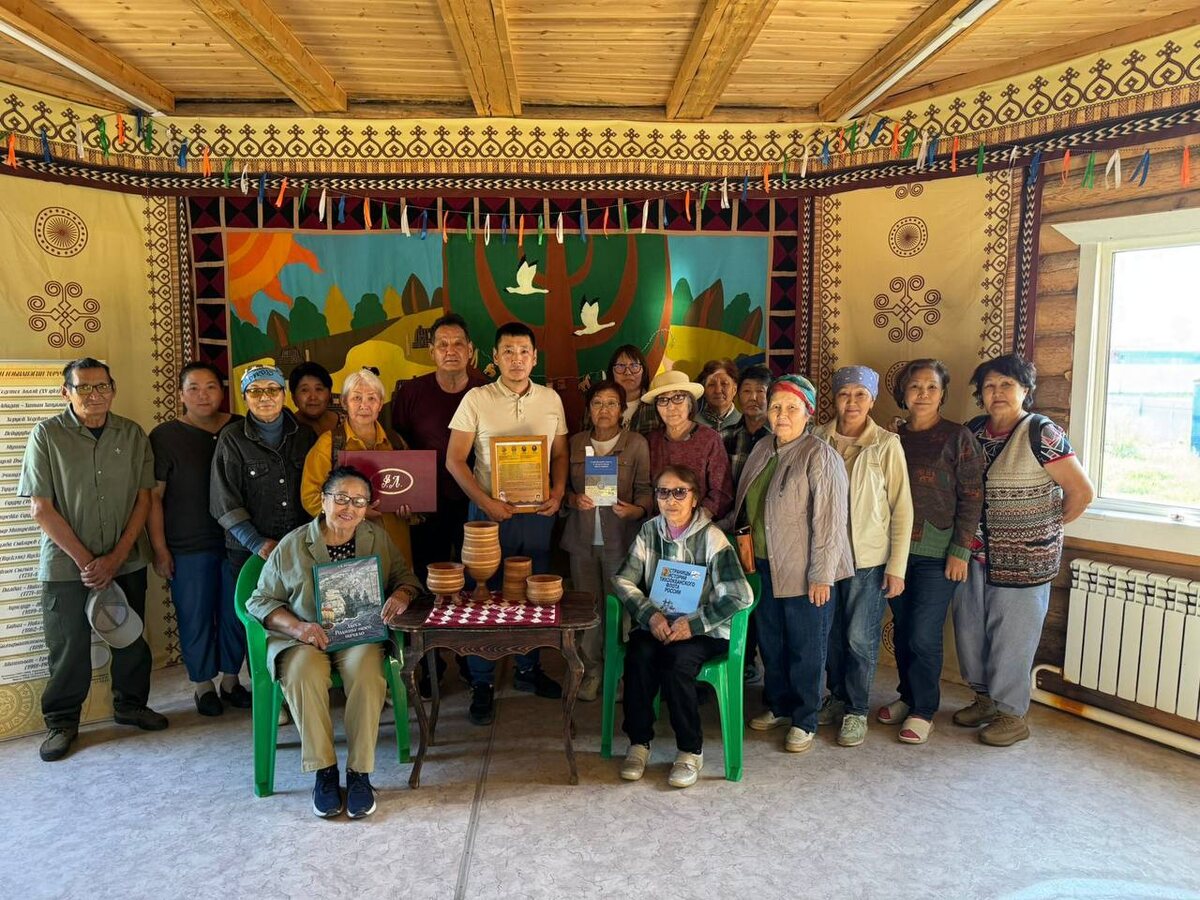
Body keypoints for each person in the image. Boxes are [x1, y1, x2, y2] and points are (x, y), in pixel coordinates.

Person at [245, 466, 422, 818]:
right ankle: (324, 772)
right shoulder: (293, 544)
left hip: (358, 636)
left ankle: (359, 774)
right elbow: (259, 601)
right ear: (323, 501)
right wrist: (297, 628)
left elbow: (405, 578)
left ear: (367, 508)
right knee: (303, 673)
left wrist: (401, 594)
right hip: (305, 638)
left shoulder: (376, 538)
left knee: (368, 674)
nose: (349, 507)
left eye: (359, 501)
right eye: (341, 498)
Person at [18, 358, 167, 762]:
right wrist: (90, 563)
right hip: (66, 566)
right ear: (65, 392)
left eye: (102, 386)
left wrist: (115, 558)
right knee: (68, 645)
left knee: (130, 636)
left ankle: (131, 705)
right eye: (83, 387)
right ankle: (62, 722)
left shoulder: (132, 434)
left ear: (113, 389)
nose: (94, 395)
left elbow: (143, 499)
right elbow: (40, 508)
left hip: (126, 559)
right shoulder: (46, 435)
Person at [954, 353, 1094, 746]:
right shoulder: (973, 431)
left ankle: (1011, 715)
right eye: (989, 386)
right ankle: (984, 700)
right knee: (970, 631)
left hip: (1026, 559)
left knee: (1012, 639)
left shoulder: (1041, 433)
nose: (997, 392)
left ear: (1025, 390)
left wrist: (1044, 530)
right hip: (973, 555)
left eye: (1007, 385)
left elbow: (1081, 492)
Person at [447, 322, 569, 724]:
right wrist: (486, 503)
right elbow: (455, 460)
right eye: (508, 352)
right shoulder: (476, 399)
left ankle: (528, 669)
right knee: (484, 593)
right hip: (487, 516)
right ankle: (482, 681)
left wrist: (557, 493)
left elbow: (560, 455)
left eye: (524, 351)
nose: (517, 359)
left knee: (533, 592)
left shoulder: (551, 399)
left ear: (534, 358)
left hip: (537, 515)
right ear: (495, 358)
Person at [611, 465, 753, 788]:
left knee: (677, 663)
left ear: (694, 498)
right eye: (663, 492)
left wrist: (694, 624)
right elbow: (623, 579)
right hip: (659, 624)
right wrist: (650, 615)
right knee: (638, 655)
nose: (671, 500)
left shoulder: (712, 538)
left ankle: (690, 750)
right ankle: (639, 742)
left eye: (679, 492)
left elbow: (740, 595)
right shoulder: (649, 532)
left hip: (703, 630)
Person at [734, 374, 854, 754]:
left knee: (807, 646)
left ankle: (805, 718)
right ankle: (780, 704)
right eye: (775, 407)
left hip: (805, 571)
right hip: (763, 565)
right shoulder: (762, 448)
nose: (781, 415)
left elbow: (831, 523)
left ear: (808, 412)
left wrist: (822, 575)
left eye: (791, 407)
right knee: (772, 641)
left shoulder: (821, 456)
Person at [876, 359, 984, 745]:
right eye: (915, 387)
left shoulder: (958, 437)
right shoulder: (890, 437)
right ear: (903, 393)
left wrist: (960, 550)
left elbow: (973, 496)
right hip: (894, 551)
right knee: (904, 629)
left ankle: (924, 710)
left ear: (942, 394)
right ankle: (908, 697)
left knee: (923, 633)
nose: (923, 394)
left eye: (931, 387)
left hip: (938, 554)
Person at [811, 366, 912, 747]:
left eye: (860, 395)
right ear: (834, 398)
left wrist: (897, 567)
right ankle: (837, 697)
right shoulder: (816, 438)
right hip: (825, 558)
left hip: (867, 560)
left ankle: (856, 709)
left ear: (872, 400)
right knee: (831, 634)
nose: (851, 402)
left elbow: (902, 508)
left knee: (858, 637)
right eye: (844, 394)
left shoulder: (885, 444)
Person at [148, 362, 249, 717]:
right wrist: (160, 549)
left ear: (223, 392)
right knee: (195, 616)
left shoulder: (240, 427)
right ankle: (203, 685)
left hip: (237, 541)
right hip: (188, 545)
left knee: (236, 614)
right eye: (193, 388)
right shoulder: (165, 436)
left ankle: (232, 681)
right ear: (180, 394)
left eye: (211, 387)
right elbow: (154, 498)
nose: (203, 395)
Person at [561, 380, 654, 701]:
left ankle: (619, 674)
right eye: (598, 402)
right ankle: (592, 672)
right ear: (589, 408)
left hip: (621, 540)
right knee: (588, 608)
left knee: (621, 609)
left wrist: (636, 510)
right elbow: (561, 489)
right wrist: (573, 500)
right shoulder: (575, 443)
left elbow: (645, 489)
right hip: (582, 541)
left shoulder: (636, 443)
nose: (604, 409)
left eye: (612, 403)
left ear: (622, 409)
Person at [392, 313, 489, 582]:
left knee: (478, 577)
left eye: (458, 344)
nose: (450, 351)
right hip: (426, 504)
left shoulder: (487, 392)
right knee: (430, 578)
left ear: (470, 350)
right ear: (431, 351)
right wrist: (403, 497)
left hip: (477, 499)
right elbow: (398, 447)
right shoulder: (411, 392)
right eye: (443, 345)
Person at [211, 365, 317, 582]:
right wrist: (255, 542)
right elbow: (223, 501)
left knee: (300, 603)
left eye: (272, 389)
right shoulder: (232, 438)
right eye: (255, 391)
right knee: (252, 604)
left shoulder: (305, 435)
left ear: (284, 395)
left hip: (300, 546)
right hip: (248, 550)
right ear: (244, 397)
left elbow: (318, 488)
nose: (264, 397)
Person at [302, 367, 414, 566]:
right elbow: (310, 497)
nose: (364, 405)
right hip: (348, 550)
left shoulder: (395, 442)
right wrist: (356, 511)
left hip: (396, 547)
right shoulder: (329, 445)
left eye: (372, 398)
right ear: (344, 402)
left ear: (380, 404)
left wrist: (410, 510)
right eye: (356, 398)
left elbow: (414, 491)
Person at [720, 363, 772, 684]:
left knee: (765, 601)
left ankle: (770, 671)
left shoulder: (780, 438)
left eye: (760, 392)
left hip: (766, 535)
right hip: (730, 530)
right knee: (735, 595)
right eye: (747, 391)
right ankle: (743, 659)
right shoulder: (725, 436)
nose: (753, 398)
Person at [644, 370, 733, 521]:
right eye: (663, 400)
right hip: (658, 525)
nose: (671, 407)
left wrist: (693, 523)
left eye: (678, 398)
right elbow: (644, 488)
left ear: (690, 403)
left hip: (699, 525)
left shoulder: (709, 439)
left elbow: (722, 492)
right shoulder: (651, 441)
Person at [579, 344, 661, 435]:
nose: (628, 372)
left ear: (643, 370)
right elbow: (584, 439)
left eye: (634, 366)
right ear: (612, 371)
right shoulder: (596, 403)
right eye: (621, 366)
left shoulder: (657, 405)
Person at [694, 358, 742, 442]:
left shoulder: (745, 425)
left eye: (724, 384)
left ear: (734, 389)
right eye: (711, 384)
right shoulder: (692, 426)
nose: (718, 390)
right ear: (704, 390)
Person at [288, 361, 339, 436]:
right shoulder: (287, 430)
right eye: (304, 390)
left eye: (319, 389)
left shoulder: (347, 422)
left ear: (329, 394)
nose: (313, 397)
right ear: (293, 397)